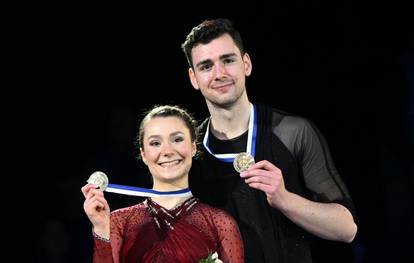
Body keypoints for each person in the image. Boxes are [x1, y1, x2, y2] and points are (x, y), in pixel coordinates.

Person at [181, 18, 358, 262]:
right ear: (193, 78)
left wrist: (285, 200)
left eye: (228, 60)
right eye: (206, 66)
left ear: (246, 64)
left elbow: (347, 228)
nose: (219, 73)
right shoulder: (188, 153)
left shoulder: (292, 132)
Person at [81, 105, 244, 262]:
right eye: (155, 143)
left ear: (193, 147)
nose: (167, 151)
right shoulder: (119, 222)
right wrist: (101, 229)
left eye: (177, 139)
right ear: (143, 154)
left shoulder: (220, 223)